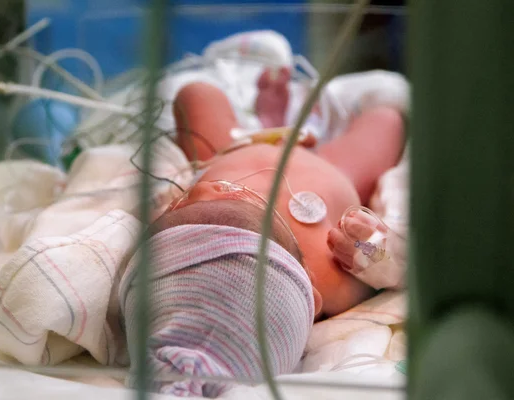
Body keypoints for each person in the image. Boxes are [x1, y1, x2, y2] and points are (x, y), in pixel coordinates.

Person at [119, 68, 406, 397]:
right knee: (387, 120)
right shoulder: (322, 274)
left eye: (188, 207)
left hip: (232, 148)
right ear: (309, 295)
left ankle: (271, 120)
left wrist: (161, 211)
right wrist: (370, 249)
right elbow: (384, 275)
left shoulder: (172, 240)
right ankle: (282, 123)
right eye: (235, 203)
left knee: (195, 94)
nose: (217, 191)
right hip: (332, 169)